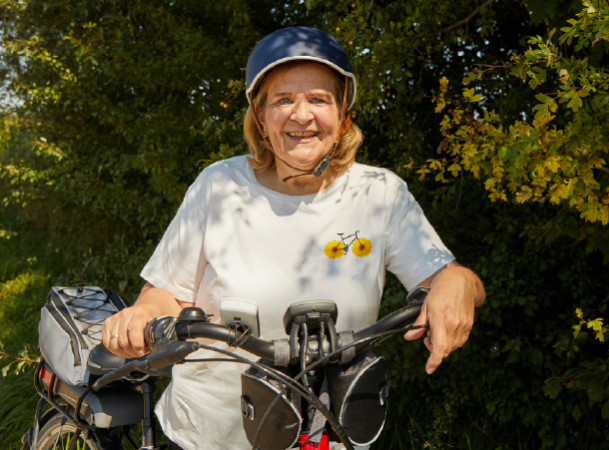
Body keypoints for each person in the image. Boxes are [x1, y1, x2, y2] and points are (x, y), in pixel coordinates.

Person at [102, 26, 485, 450]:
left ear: (343, 115)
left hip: (331, 434)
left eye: (319, 99)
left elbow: (451, 279)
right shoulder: (219, 185)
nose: (301, 115)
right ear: (261, 119)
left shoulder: (380, 194)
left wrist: (457, 283)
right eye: (283, 100)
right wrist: (140, 315)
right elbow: (163, 295)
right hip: (207, 434)